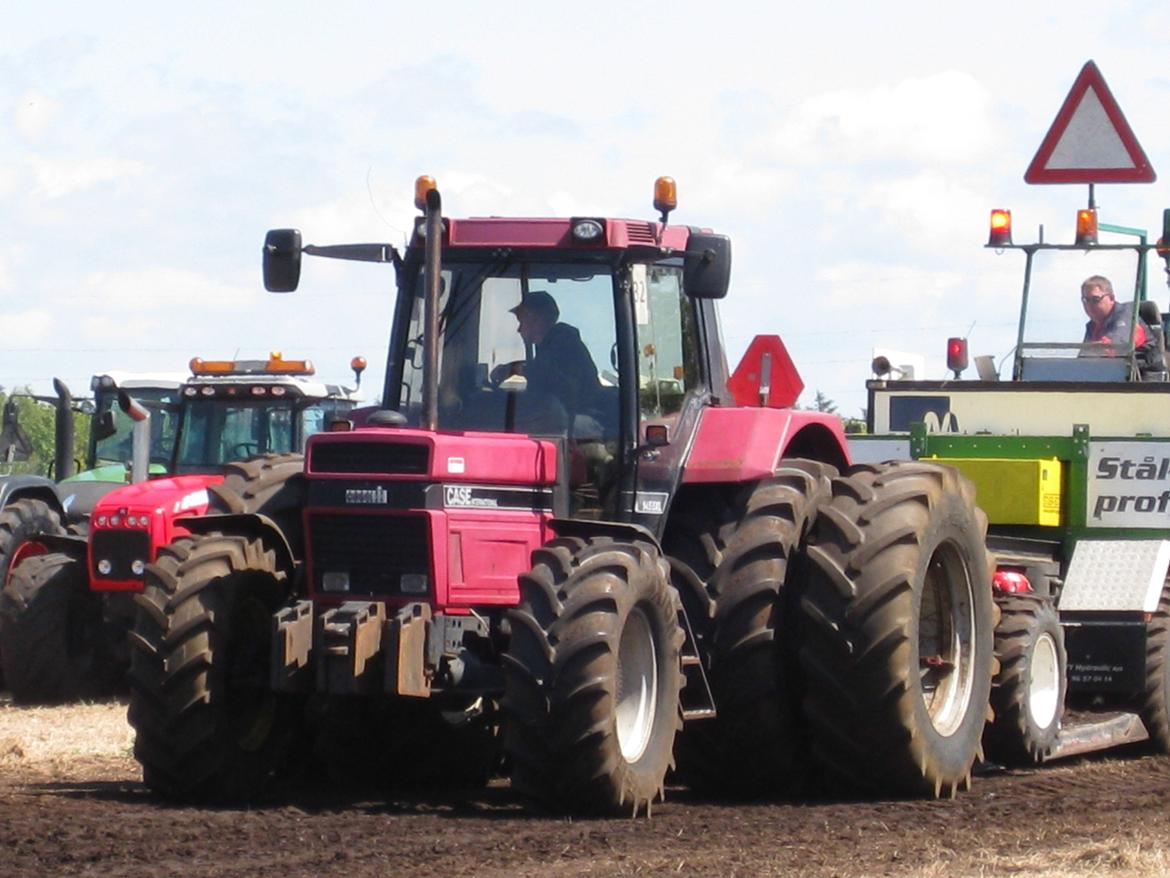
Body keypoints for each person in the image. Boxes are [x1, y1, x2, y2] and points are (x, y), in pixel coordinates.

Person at [501, 290, 604, 421]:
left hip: (581, 418)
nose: (519, 329)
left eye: (522, 322)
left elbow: (551, 380)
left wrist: (516, 370)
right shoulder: (550, 345)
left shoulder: (563, 345)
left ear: (535, 320)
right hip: (569, 415)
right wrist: (515, 368)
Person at [1080, 274, 1161, 370]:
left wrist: (1093, 351)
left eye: (1095, 299)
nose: (1089, 305)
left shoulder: (1127, 316)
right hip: (1110, 375)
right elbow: (1083, 359)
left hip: (1142, 378)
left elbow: (1117, 346)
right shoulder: (1092, 326)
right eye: (1086, 300)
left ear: (1111, 298)